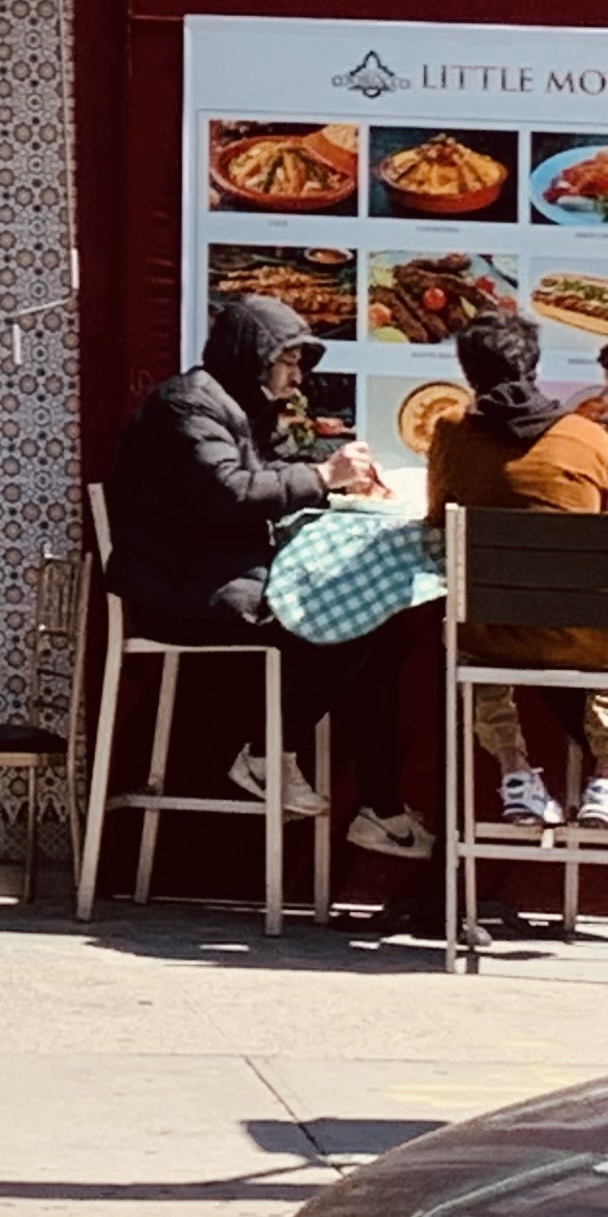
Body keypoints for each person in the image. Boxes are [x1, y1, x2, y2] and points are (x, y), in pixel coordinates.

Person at [105, 294, 390, 819]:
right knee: (347, 623)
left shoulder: (241, 406)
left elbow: (275, 469)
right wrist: (325, 477)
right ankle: (266, 755)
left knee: (373, 622)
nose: (297, 377)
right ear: (251, 355)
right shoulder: (187, 405)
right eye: (287, 361)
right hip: (179, 591)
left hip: (219, 576)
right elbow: (229, 493)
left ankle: (379, 805)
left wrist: (330, 474)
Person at [423, 311, 608, 830]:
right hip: (585, 638)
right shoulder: (589, 439)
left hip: (492, 637)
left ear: (467, 374)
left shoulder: (452, 432)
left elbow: (438, 517)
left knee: (464, 627)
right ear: (534, 365)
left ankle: (516, 771)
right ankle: (605, 780)